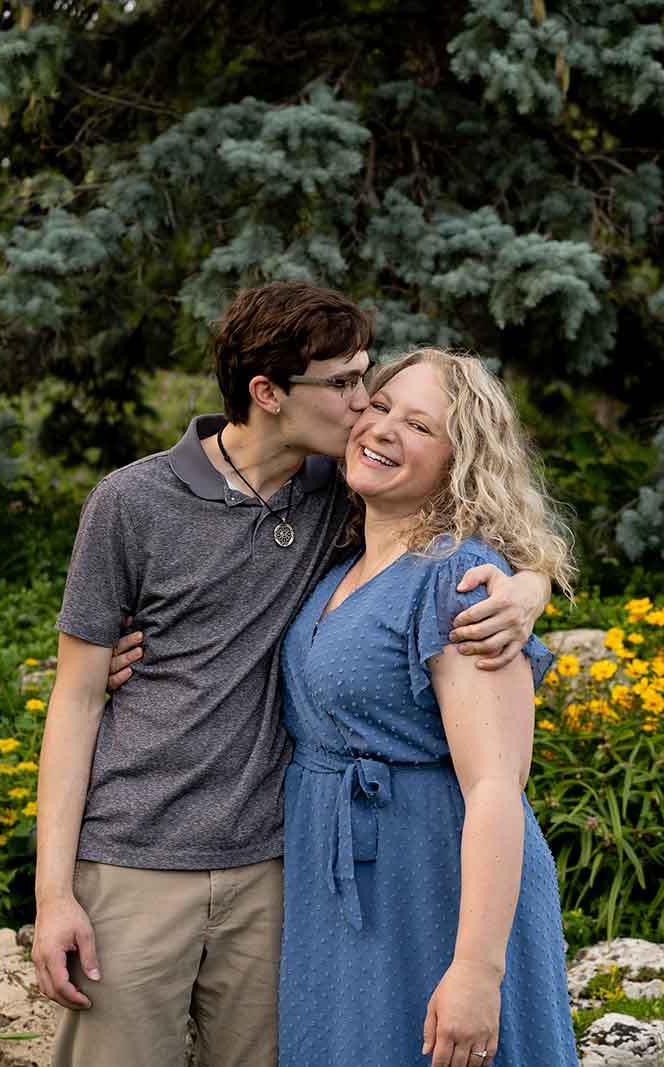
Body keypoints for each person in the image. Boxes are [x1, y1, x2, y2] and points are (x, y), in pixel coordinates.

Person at [31, 284, 555, 1067]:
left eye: (376, 390)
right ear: (268, 394)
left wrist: (530, 584)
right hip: (144, 859)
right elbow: (72, 701)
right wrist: (52, 894)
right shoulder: (141, 502)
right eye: (353, 390)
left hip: (301, 868)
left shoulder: (367, 514)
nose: (366, 413)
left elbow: (475, 522)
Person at [277, 348, 580, 1067]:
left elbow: (495, 786)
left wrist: (478, 968)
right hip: (340, 881)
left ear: (459, 460)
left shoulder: (460, 577)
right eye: (379, 407)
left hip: (433, 880)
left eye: (418, 424)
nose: (383, 429)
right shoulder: (342, 559)